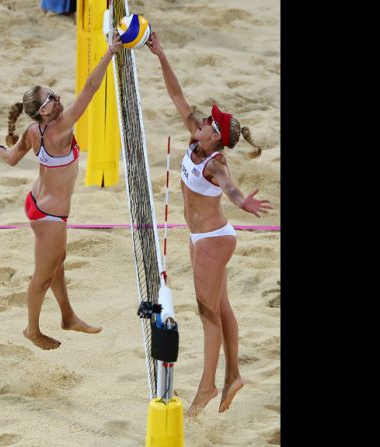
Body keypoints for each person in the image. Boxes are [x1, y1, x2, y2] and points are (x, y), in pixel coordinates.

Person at [146, 31, 274, 415]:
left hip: (214, 239)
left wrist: (244, 202)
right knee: (221, 308)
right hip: (202, 237)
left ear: (215, 137)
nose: (202, 120)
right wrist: (161, 54)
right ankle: (233, 375)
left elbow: (231, 190)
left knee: (207, 313)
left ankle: (207, 386)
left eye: (209, 122)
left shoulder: (215, 162)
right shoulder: (195, 140)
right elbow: (176, 94)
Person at [0, 36, 122, 350]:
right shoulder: (61, 129)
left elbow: (13, 157)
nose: (58, 98)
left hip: (37, 204)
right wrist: (110, 52)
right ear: (44, 113)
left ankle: (68, 316)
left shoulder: (35, 131)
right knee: (42, 277)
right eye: (51, 98)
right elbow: (90, 88)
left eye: (53, 93)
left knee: (58, 260)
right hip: (49, 215)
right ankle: (32, 330)